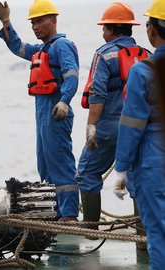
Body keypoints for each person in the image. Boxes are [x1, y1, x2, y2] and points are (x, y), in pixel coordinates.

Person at [0, 0, 79, 221]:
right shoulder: (42, 50)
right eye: (33, 23)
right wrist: (6, 21)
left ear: (54, 20)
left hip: (56, 110)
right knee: (45, 165)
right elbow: (18, 48)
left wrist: (65, 101)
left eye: (39, 21)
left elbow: (72, 74)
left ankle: (68, 214)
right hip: (43, 113)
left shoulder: (61, 45)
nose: (35, 26)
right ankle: (53, 210)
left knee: (60, 162)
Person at [76, 2, 147, 241]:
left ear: (110, 29)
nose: (102, 32)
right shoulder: (146, 55)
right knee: (138, 179)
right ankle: (143, 239)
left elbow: (98, 94)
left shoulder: (104, 53)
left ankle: (91, 232)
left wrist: (91, 127)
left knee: (87, 172)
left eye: (104, 27)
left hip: (108, 127)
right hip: (139, 127)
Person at [111, 0, 165, 268]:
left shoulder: (143, 71)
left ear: (152, 29)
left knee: (159, 232)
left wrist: (120, 168)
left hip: (153, 163)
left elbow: (132, 124)